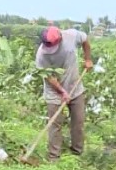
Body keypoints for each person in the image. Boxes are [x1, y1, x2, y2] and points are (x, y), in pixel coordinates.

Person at [35, 25, 93, 160]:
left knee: (78, 121)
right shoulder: (41, 55)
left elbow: (85, 41)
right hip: (54, 91)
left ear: (60, 39)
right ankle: (54, 157)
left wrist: (88, 59)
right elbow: (49, 77)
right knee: (55, 123)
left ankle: (77, 153)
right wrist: (62, 92)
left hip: (75, 86)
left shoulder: (71, 36)